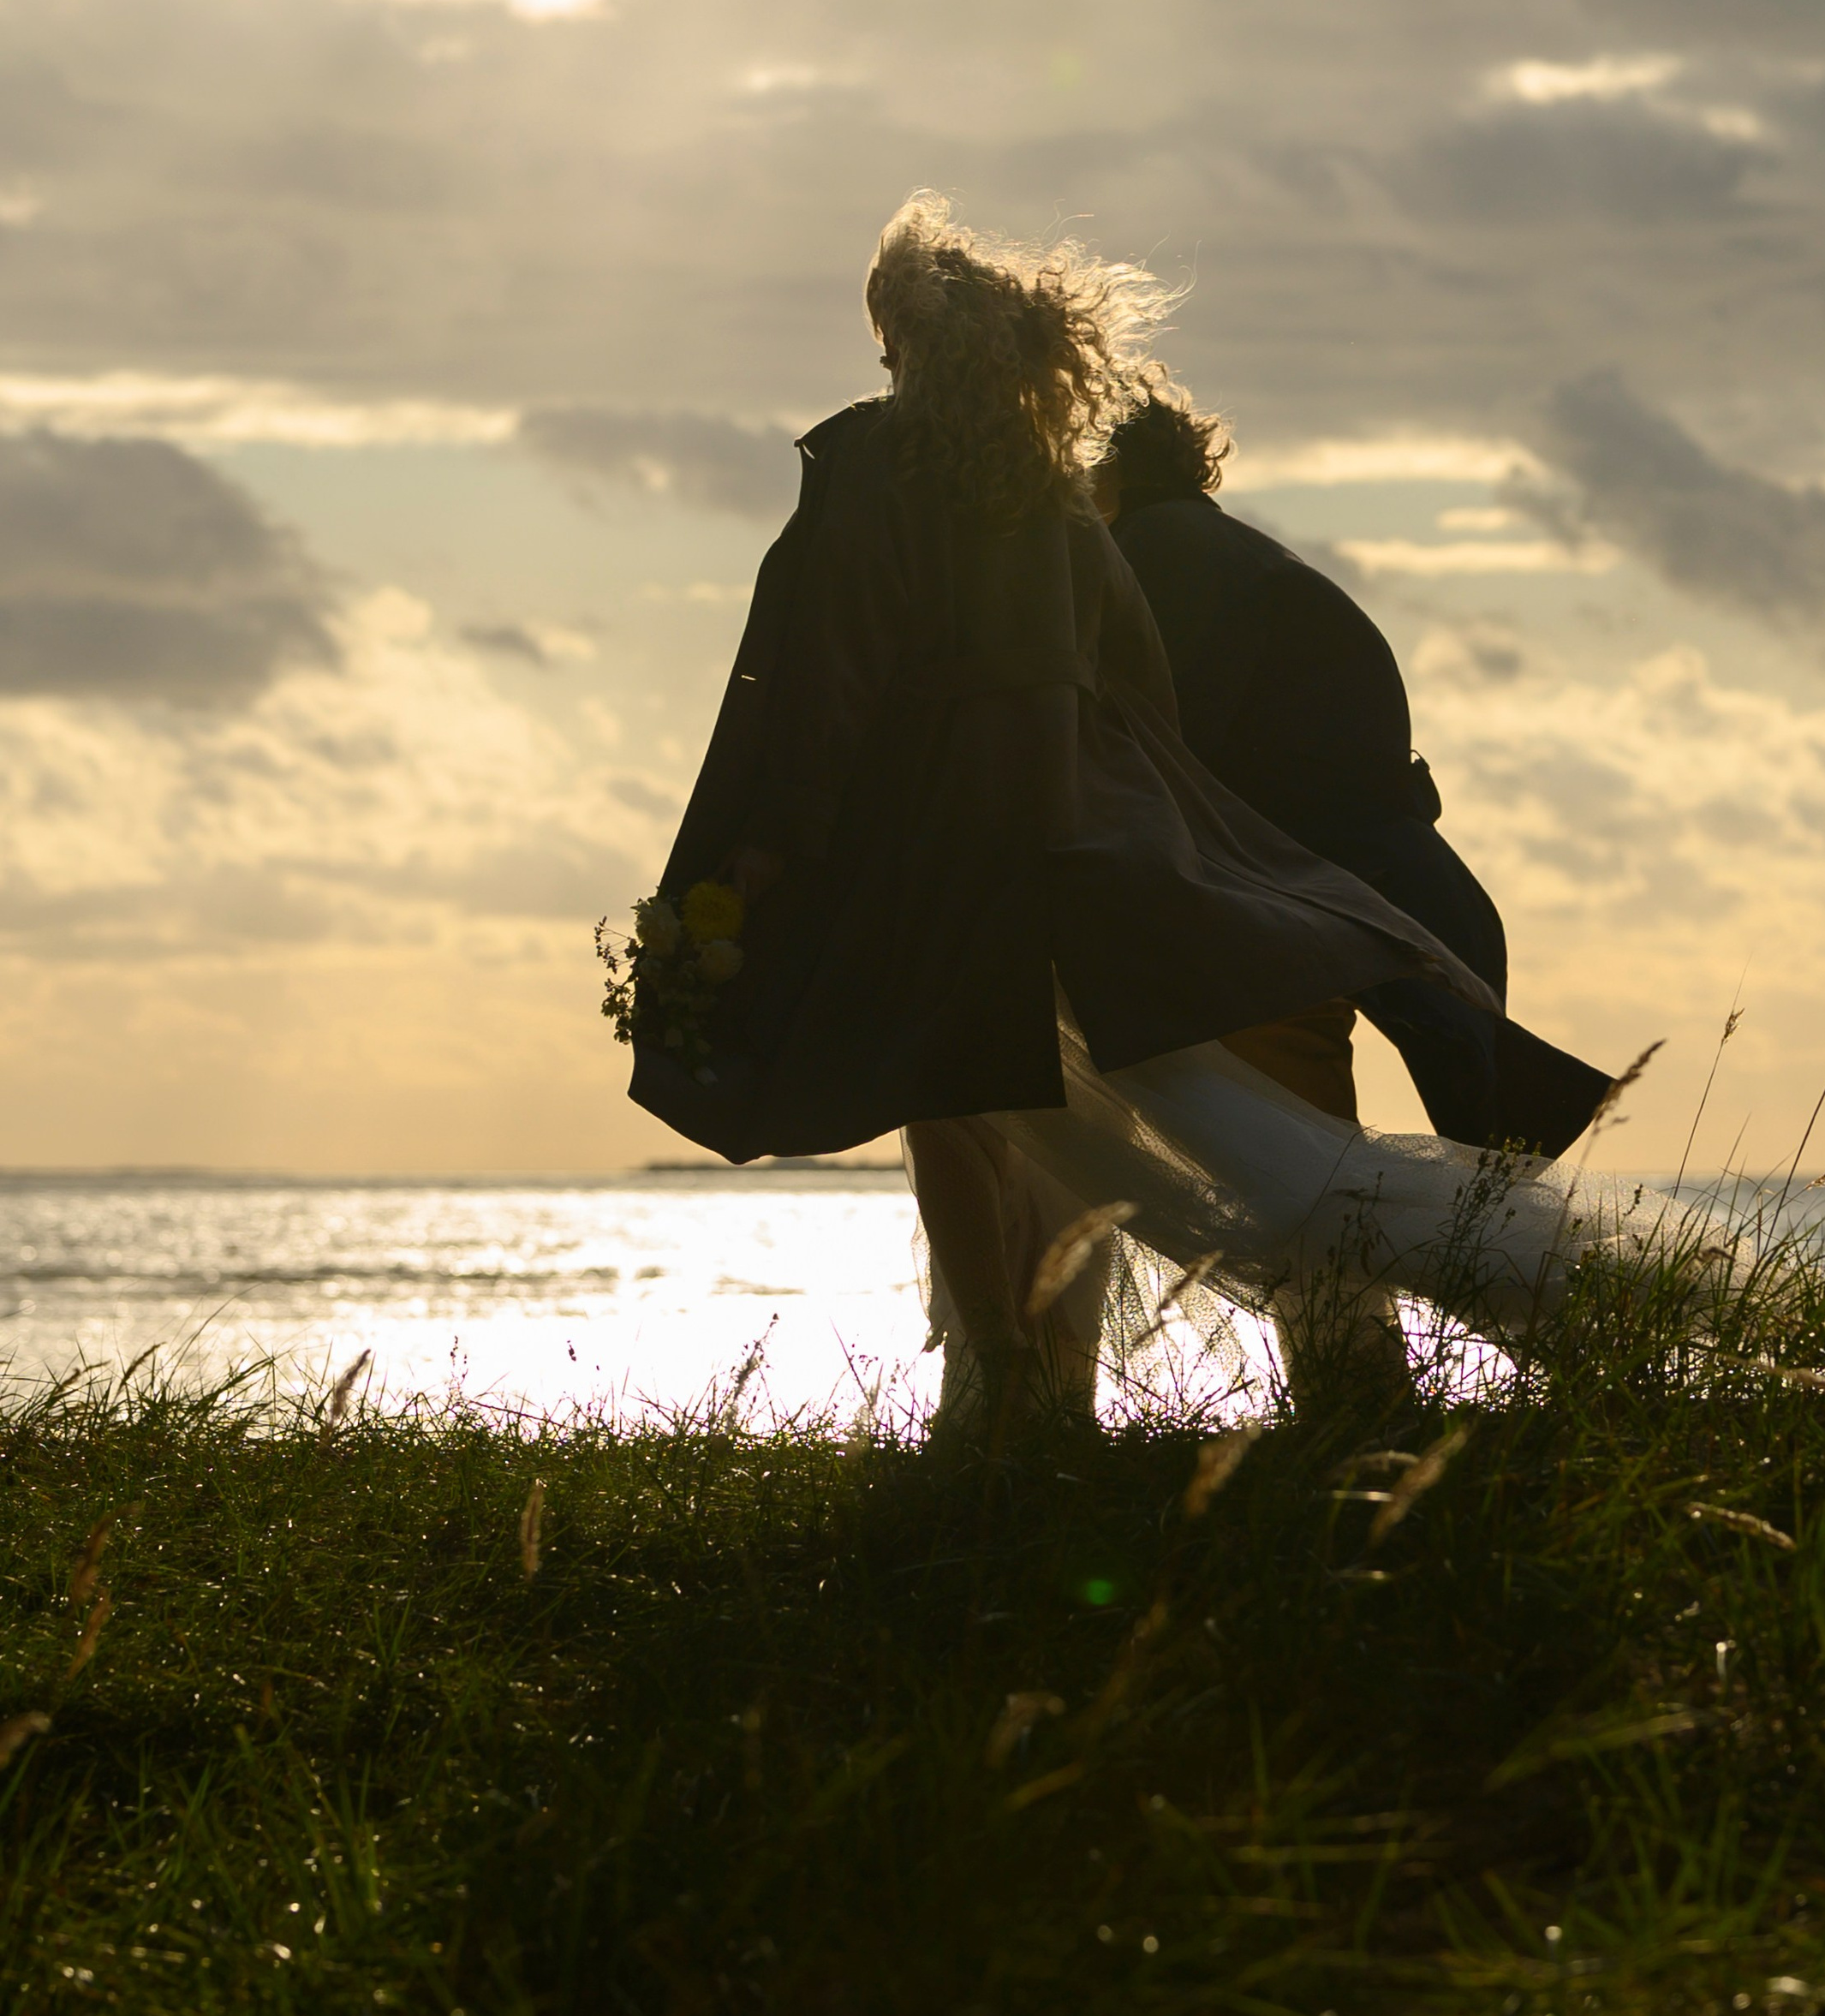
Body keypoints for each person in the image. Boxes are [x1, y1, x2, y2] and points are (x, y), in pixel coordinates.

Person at [626, 197, 1687, 1430]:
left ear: (910, 348)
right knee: (1222, 1138)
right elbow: (1143, 694)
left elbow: (831, 674)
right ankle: (1528, 1304)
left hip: (930, 847)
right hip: (1064, 843)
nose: (879, 366)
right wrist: (1136, 836)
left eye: (885, 344)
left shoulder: (874, 473)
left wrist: (774, 845)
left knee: (953, 1117)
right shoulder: (1060, 508)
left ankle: (1012, 1403)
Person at [1099, 387, 1607, 1158]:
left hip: (1318, 885)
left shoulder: (1160, 545)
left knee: (1317, 1155)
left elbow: (1168, 734)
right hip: (1392, 884)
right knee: (1465, 1150)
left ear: (1110, 468)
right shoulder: (1224, 544)